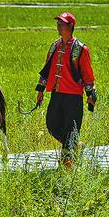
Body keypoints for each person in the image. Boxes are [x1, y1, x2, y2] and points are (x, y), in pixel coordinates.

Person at [35, 12, 97, 168]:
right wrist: (40, 90)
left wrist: (90, 94)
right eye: (58, 23)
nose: (58, 26)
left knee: (71, 130)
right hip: (57, 94)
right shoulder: (55, 45)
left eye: (62, 23)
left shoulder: (80, 49)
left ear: (71, 26)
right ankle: (76, 146)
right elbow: (46, 69)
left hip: (73, 96)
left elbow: (87, 74)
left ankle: (66, 167)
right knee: (52, 125)